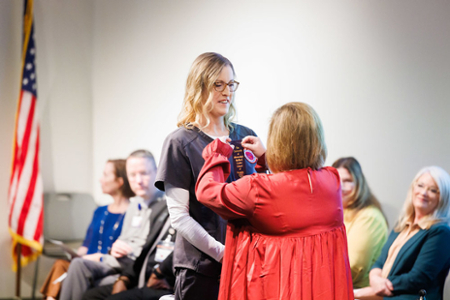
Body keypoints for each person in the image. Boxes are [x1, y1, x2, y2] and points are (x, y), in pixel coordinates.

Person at [195, 102, 354, 300]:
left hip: (276, 290)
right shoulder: (332, 180)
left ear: (277, 141)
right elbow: (295, 180)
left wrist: (216, 155)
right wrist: (266, 158)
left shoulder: (257, 189)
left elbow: (207, 192)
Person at [155, 52, 262, 300]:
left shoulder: (246, 137)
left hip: (247, 266)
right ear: (199, 87)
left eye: (231, 84)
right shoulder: (179, 142)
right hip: (201, 272)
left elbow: (263, 198)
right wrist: (223, 253)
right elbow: (180, 217)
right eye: (218, 85)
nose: (227, 92)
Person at [59, 150, 166, 300]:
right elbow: (122, 242)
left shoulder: (165, 207)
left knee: (81, 268)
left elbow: (145, 251)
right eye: (132, 175)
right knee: (76, 265)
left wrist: (103, 258)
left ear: (156, 172)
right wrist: (113, 250)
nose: (138, 180)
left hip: (135, 268)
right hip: (119, 262)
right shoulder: (134, 206)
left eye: (144, 173)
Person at [40, 159, 134, 300]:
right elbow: (87, 244)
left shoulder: (133, 214)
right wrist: (75, 255)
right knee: (61, 264)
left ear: (120, 181)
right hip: (84, 262)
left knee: (64, 267)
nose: (100, 179)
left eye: (105, 175)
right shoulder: (100, 211)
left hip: (106, 264)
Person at [354, 166, 450, 300]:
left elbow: (417, 279)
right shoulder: (402, 225)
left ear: (443, 198)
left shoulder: (441, 232)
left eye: (433, 190)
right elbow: (380, 262)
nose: (424, 193)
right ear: (413, 188)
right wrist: (375, 279)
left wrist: (362, 292)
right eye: (420, 186)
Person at [332, 157, 388, 288]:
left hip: (358, 293)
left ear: (359, 183)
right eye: (337, 180)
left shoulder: (370, 217)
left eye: (348, 181)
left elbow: (354, 267)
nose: (342, 186)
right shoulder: (337, 212)